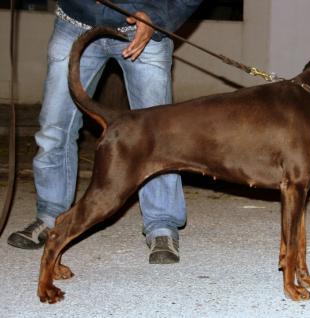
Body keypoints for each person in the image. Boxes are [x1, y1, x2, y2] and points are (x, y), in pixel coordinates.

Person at [8, 0, 203, 264]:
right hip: (74, 22)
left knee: (158, 137)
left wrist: (158, 17)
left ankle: (162, 224)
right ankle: (50, 217)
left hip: (143, 25)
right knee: (55, 128)